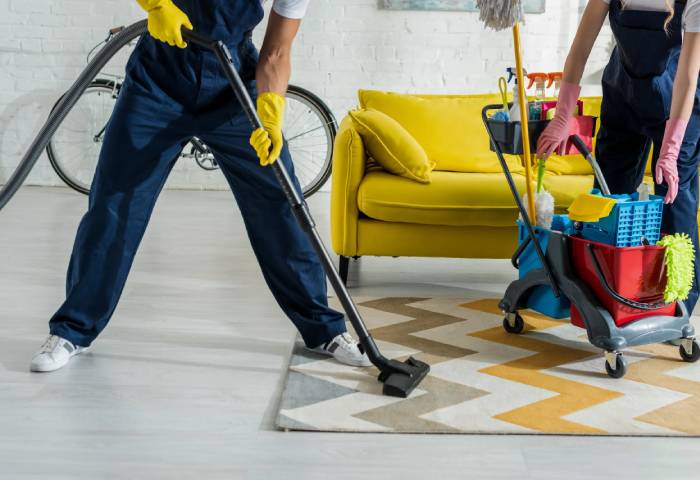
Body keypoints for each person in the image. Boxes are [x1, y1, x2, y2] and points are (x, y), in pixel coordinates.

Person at [30, 0, 371, 372]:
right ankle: (73, 330)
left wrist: (271, 114)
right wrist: (156, 4)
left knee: (279, 203)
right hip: (156, 84)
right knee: (115, 205)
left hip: (232, 86)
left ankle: (324, 330)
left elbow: (277, 51)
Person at [537, 0, 700, 313]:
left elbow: (688, 77)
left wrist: (670, 149)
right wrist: (563, 115)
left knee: (674, 201)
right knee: (608, 197)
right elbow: (580, 49)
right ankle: (608, 290)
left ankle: (678, 303)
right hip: (623, 96)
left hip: (677, 103)